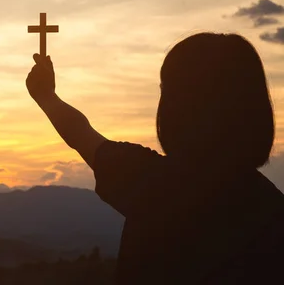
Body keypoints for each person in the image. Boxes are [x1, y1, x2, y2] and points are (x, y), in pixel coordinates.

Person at [26, 33, 284, 284]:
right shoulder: (272, 207)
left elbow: (80, 133)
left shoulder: (153, 182)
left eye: (166, 90)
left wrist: (46, 95)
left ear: (179, 107)